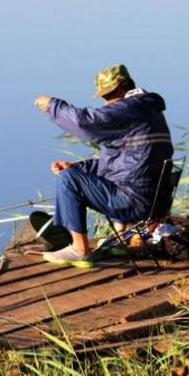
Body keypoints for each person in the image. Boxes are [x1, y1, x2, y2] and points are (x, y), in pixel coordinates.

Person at [34, 64, 173, 268]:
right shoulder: (149, 110)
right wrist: (77, 167)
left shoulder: (130, 108)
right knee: (74, 173)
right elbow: (125, 162)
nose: (106, 102)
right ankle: (122, 238)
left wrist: (53, 105)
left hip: (132, 202)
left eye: (108, 95)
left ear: (122, 87)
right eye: (103, 97)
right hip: (154, 202)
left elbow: (85, 123)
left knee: (68, 179)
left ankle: (79, 250)